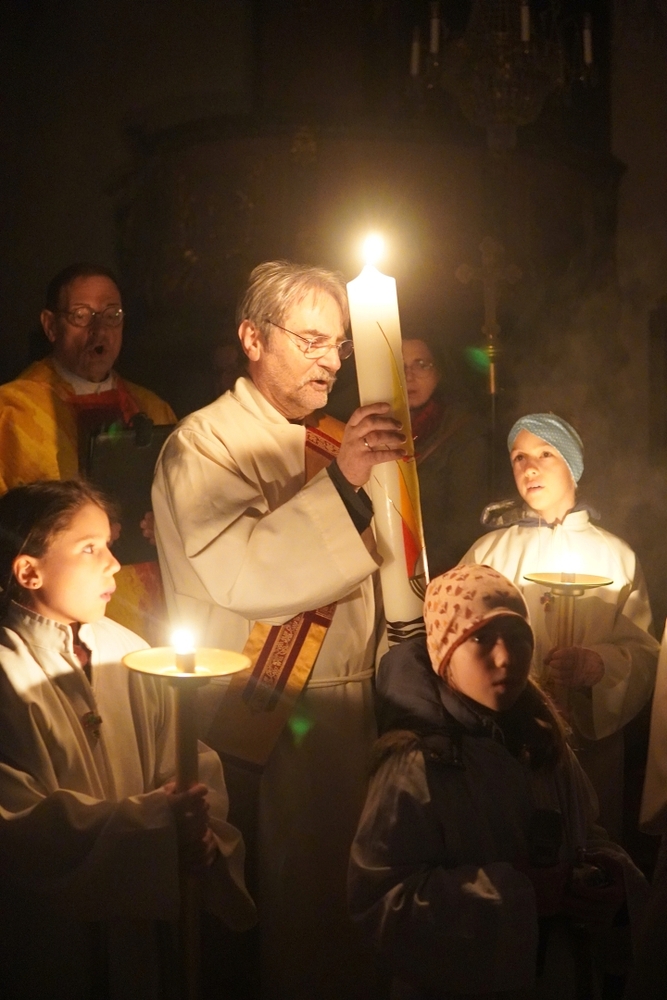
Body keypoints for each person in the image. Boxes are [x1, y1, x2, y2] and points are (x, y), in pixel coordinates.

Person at [152, 260, 406, 1000]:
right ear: (252, 338)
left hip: (355, 710)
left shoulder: (331, 440)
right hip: (262, 718)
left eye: (340, 344)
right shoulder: (203, 442)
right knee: (287, 925)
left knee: (350, 913)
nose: (332, 360)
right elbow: (241, 574)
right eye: (311, 340)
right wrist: (345, 485)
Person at [0, 480, 256, 1000]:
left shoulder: (128, 650)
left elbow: (186, 758)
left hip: (142, 931)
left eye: (110, 545)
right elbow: (18, 827)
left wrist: (200, 830)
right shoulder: (7, 672)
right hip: (48, 944)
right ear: (29, 571)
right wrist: (158, 824)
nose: (114, 564)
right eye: (89, 548)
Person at [348, 564, 648, 999]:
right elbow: (380, 904)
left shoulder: (543, 742)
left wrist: (611, 878)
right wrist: (518, 896)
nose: (506, 657)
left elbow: (587, 831)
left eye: (518, 637)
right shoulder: (417, 765)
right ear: (444, 652)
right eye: (481, 639)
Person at [459, 413, 659, 839]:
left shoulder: (616, 555)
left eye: (545, 454)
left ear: (573, 465)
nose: (529, 468)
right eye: (519, 457)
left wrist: (599, 666)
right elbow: (455, 639)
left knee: (586, 843)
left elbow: (643, 652)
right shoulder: (487, 553)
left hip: (588, 746)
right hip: (508, 736)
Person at [0, 263, 176, 642]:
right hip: (48, 616)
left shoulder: (153, 410)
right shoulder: (11, 413)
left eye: (112, 315)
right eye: (81, 316)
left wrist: (169, 523)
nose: (99, 330)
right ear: (50, 326)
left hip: (150, 605)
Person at [402, 336, 487, 576]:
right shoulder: (373, 425)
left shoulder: (463, 433)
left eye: (421, 364)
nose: (409, 376)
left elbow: (464, 524)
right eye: (400, 365)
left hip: (438, 572)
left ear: (438, 371)